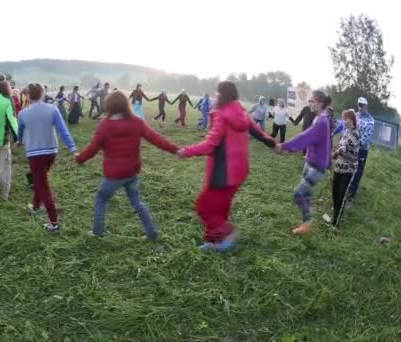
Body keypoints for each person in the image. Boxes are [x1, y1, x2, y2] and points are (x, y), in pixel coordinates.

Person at [178, 81, 277, 251]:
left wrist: (186, 151)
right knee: (221, 207)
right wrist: (276, 145)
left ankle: (228, 233)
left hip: (222, 173)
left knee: (204, 208)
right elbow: (258, 133)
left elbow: (210, 145)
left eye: (217, 93)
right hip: (239, 172)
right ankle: (215, 242)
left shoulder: (223, 115)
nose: (215, 96)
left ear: (222, 95)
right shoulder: (241, 112)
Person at [77, 91, 179, 240]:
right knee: (137, 202)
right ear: (126, 105)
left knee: (101, 199)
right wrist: (175, 149)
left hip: (114, 175)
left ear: (108, 106)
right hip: (132, 172)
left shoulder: (105, 125)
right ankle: (152, 233)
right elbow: (155, 138)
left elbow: (93, 148)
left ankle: (98, 232)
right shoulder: (136, 122)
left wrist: (80, 159)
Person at [17, 84, 78, 232]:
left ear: (27, 95)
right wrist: (73, 148)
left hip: (34, 153)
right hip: (51, 152)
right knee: (41, 180)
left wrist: (19, 141)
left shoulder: (23, 113)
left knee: (43, 185)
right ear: (43, 93)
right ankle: (36, 206)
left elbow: (20, 131)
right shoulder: (52, 108)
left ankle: (54, 223)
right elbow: (63, 130)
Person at [276, 90, 333, 235]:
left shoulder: (322, 121)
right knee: (305, 194)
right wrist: (306, 154)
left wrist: (284, 146)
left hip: (318, 167)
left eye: (312, 101)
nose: (310, 104)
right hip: (310, 161)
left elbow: (305, 137)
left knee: (299, 193)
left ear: (320, 103)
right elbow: (313, 141)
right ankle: (306, 224)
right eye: (309, 101)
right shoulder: (319, 117)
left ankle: (306, 217)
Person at [333, 97, 375, 203]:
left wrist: (355, 143)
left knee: (358, 170)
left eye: (362, 105)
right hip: (349, 146)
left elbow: (367, 136)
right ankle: (345, 188)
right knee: (348, 167)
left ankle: (351, 193)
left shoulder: (370, 120)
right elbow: (344, 125)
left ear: (366, 106)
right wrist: (335, 133)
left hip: (362, 149)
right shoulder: (354, 115)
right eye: (359, 105)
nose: (360, 107)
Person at [331, 109, 360, 227]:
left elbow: (343, 148)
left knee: (341, 196)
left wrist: (334, 154)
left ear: (352, 120)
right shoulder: (346, 131)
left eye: (346, 119)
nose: (344, 121)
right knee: (334, 192)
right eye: (343, 119)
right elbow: (342, 145)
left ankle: (335, 223)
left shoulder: (355, 134)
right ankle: (335, 214)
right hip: (338, 167)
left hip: (348, 169)